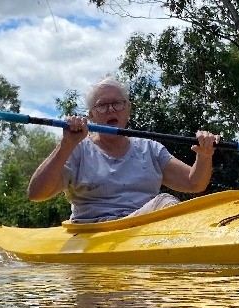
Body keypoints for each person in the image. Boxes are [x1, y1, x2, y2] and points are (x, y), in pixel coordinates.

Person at [28, 77, 220, 223]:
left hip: (144, 230)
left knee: (165, 203)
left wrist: (204, 156)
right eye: (102, 106)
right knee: (165, 201)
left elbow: (194, 184)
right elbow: (37, 193)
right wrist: (66, 145)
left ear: (128, 109)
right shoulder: (76, 149)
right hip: (93, 232)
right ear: (92, 115)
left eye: (117, 103)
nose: (111, 109)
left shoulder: (150, 149)